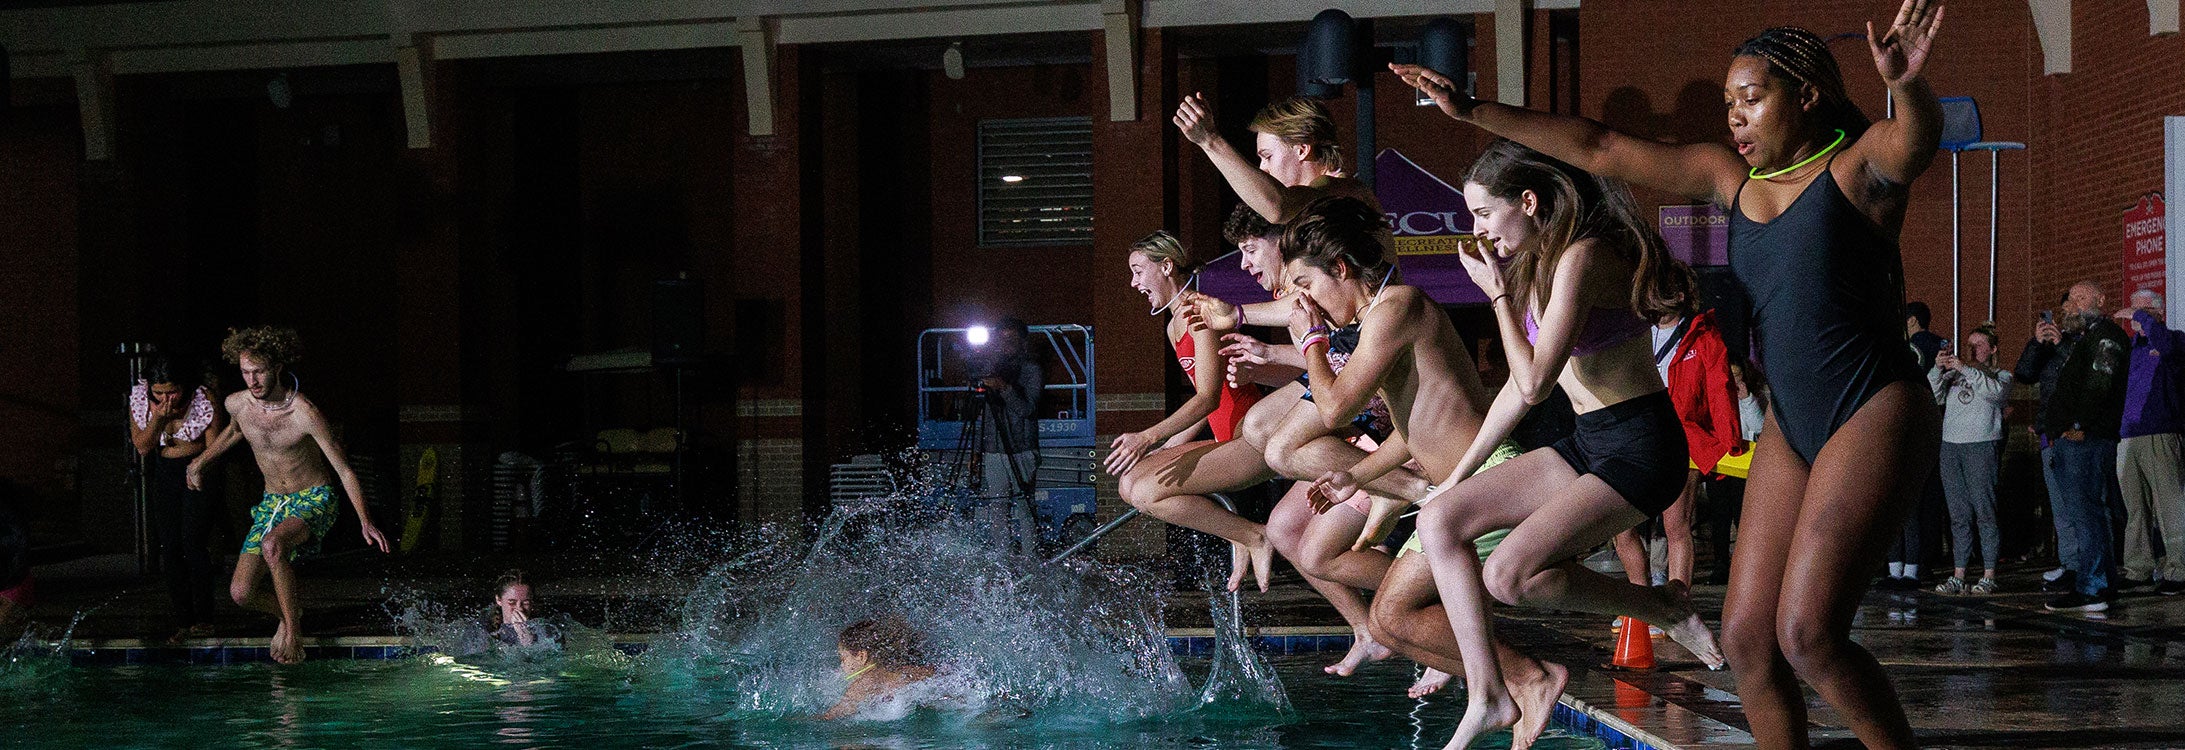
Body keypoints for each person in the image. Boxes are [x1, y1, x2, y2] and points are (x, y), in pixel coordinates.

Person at [1394, 4, 1947, 746]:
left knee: (1808, 635)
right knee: (1748, 642)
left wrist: (1906, 88)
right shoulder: (1734, 182)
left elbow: (1913, 142)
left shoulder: (1858, 166)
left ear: (1806, 94)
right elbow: (1601, 145)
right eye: (1727, 103)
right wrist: (1473, 113)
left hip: (1873, 406)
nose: (1735, 118)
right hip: (1793, 422)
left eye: (1751, 98)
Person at [1384, 140, 1718, 749]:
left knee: (1508, 577)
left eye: (1484, 214)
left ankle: (1664, 607)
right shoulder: (1543, 260)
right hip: (1589, 441)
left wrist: (1497, 296)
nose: (1476, 229)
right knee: (1440, 518)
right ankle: (1487, 695)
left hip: (1643, 448)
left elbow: (1536, 382)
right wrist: (1458, 476)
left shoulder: (1585, 256)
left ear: (1528, 202)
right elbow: (1516, 388)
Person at [1240, 194, 1564, 746]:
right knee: (1392, 619)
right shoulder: (1379, 317)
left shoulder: (1398, 306)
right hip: (1448, 488)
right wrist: (1360, 475)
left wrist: (1310, 339)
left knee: (1529, 587)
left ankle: (1534, 676)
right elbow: (1416, 429)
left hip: (1483, 478)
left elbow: (1336, 408)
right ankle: (1529, 678)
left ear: (1340, 269)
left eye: (1307, 284)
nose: (1304, 300)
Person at [188, 326, 391, 664]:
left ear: (277, 368)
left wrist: (365, 521)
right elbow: (233, 433)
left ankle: (294, 633)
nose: (252, 381)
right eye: (245, 372)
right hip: (272, 503)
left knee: (272, 545)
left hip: (313, 498)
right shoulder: (237, 403)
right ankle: (290, 609)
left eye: (259, 372)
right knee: (241, 593)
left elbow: (344, 470)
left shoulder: (304, 413)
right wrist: (199, 462)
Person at [1109, 231, 1273, 590]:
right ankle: (1238, 535)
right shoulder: (1173, 325)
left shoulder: (1202, 314)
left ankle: (1253, 535)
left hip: (1252, 440)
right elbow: (1204, 400)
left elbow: (1209, 398)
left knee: (1147, 491)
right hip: (1224, 438)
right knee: (1129, 483)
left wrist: (1151, 435)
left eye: (1139, 271)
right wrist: (1168, 446)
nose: (1134, 283)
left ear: (1166, 266)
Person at [2012, 281, 2129, 612]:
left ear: (2101, 300)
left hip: (2086, 439)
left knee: (2087, 513)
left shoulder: (2106, 336)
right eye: (2069, 302)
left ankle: (2092, 587)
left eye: (2080, 299)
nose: (2070, 306)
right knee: (2086, 513)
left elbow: (2101, 382)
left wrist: (2079, 425)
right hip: (2072, 438)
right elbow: (2027, 373)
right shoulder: (2087, 340)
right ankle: (2101, 583)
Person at [1614, 298, 1742, 593]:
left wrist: (1728, 440)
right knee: (1621, 527)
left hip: (1686, 439)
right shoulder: (1633, 329)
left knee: (1675, 527)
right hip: (1636, 435)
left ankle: (1678, 610)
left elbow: (1721, 388)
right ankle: (1641, 605)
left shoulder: (1702, 334)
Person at [129, 354, 226, 642]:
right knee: (170, 546)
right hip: (165, 471)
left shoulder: (203, 399)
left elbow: (216, 447)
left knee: (193, 542)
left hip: (199, 469)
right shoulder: (142, 399)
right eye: (158, 393)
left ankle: (205, 618)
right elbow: (144, 448)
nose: (165, 398)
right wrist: (158, 419)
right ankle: (183, 620)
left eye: (172, 392)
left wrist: (199, 468)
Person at [1174, 95, 1377, 224]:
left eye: (1268, 157)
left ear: (1302, 149)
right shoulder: (1306, 204)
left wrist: (1210, 141)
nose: (1263, 168)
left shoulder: (1342, 191)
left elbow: (1277, 208)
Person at [2112, 290, 2185, 595]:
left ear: (2159, 312)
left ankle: (2179, 569)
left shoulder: (2174, 340)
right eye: (2134, 309)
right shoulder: (2131, 348)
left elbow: (2167, 347)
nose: (2135, 315)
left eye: (2143, 310)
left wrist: (2141, 316)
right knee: (2135, 509)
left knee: (2170, 504)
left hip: (2160, 431)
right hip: (2128, 434)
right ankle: (2138, 567)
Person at [1930, 325, 2009, 595]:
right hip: (1951, 446)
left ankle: (1989, 573)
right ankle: (1959, 573)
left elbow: (1996, 394)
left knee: (1984, 510)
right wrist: (1938, 369)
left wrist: (1966, 369)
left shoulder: (2001, 375)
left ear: (1993, 349)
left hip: (1981, 445)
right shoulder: (1954, 375)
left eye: (1979, 344)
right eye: (1969, 343)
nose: (1973, 348)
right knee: (1958, 513)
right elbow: (1933, 394)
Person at [1884, 301, 1949, 589]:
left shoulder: (1909, 349)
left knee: (1906, 505)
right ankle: (1921, 564)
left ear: (1911, 321)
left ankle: (1908, 568)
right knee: (1929, 502)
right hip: (1936, 429)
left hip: (1910, 428)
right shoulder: (1942, 346)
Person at [967, 317, 1043, 557]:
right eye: (1001, 340)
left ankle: (1031, 561)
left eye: (1011, 340)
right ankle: (1004, 560)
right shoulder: (991, 369)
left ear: (1022, 342)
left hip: (1021, 449)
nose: (1005, 345)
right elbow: (984, 415)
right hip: (993, 451)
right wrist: (977, 452)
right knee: (997, 508)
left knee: (1024, 507)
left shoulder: (1032, 370)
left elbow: (1028, 409)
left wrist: (1004, 388)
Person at [822, 616, 939, 720]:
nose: (841, 665)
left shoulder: (864, 683)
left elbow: (834, 714)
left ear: (861, 656)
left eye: (843, 658)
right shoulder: (896, 669)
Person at [484, 570, 542, 647]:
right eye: (512, 602)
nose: (519, 608)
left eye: (526, 602)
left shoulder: (544, 629)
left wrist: (528, 641)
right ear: (498, 600)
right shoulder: (483, 631)